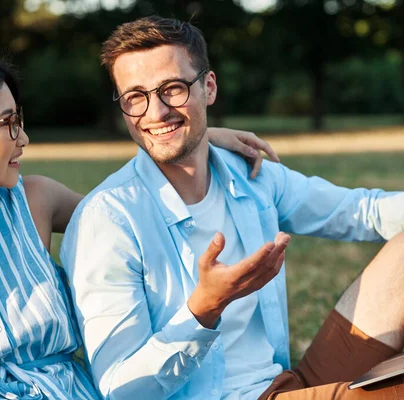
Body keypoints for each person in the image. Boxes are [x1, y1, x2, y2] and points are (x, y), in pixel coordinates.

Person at [0, 50, 277, 400]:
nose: (23, 138)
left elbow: (131, 211)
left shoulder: (35, 200)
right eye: (7, 124)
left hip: (68, 393)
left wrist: (192, 139)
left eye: (19, 120)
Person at [61, 16, 404, 400]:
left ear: (208, 87)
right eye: (135, 97)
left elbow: (363, 211)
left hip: (287, 382)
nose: (155, 113)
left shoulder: (250, 174)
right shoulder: (107, 220)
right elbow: (120, 390)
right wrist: (204, 309)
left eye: (172, 89)